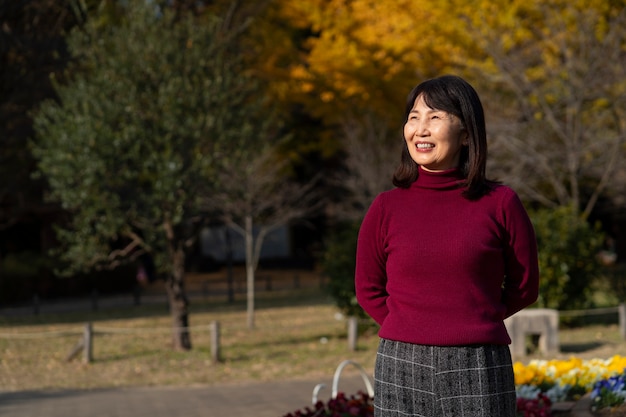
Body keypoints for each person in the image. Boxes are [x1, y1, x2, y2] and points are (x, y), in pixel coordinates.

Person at [355, 75, 539, 417]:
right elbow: (367, 288)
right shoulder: (385, 207)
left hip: (479, 361)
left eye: (434, 117)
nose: (420, 129)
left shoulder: (501, 203)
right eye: (414, 117)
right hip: (401, 363)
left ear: (466, 133)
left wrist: (475, 320)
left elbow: (524, 286)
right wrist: (407, 325)